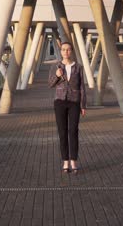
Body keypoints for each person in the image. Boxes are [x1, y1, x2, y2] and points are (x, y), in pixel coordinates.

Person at [48, 41, 86, 174]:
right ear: (61, 51)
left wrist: (83, 105)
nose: (66, 52)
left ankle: (73, 161)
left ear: (72, 51)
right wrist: (57, 76)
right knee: (62, 132)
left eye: (68, 49)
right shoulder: (56, 66)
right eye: (63, 50)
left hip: (74, 102)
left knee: (73, 131)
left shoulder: (78, 67)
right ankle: (65, 161)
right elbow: (50, 84)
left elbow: (82, 87)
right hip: (59, 102)